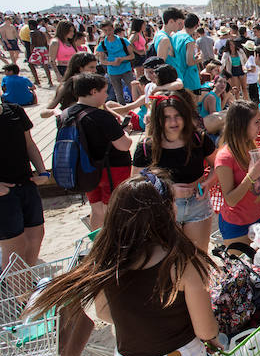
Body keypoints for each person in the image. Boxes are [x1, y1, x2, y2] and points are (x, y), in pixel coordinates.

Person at [24, 170, 250, 356]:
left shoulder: (105, 261)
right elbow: (205, 331)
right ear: (166, 212)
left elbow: (104, 313)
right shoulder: (181, 262)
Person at [133, 95, 218, 252]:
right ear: (158, 120)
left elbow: (218, 165)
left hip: (197, 204)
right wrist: (168, 191)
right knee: (171, 260)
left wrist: (208, 183)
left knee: (198, 258)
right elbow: (135, 185)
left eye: (177, 116)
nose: (173, 122)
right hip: (163, 209)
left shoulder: (199, 139)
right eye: (167, 117)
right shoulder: (146, 147)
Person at [214, 101, 260, 248]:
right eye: (256, 122)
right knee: (244, 268)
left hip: (258, 217)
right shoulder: (224, 157)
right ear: (241, 125)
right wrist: (251, 175)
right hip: (237, 225)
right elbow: (230, 200)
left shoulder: (250, 145)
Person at [68, 73, 134, 230]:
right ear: (93, 91)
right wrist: (125, 132)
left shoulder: (67, 114)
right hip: (112, 169)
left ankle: (98, 244)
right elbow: (124, 145)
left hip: (86, 170)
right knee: (113, 210)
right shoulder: (101, 116)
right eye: (104, 91)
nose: (106, 95)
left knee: (97, 210)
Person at [0, 98, 50, 268]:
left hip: (26, 182)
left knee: (36, 235)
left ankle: (25, 287)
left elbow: (29, 144)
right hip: (3, 192)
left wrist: (43, 171)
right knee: (15, 246)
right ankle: (20, 293)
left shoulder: (14, 110)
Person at [41, 52, 98, 118]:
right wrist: (56, 111)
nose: (95, 70)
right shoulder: (66, 86)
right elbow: (43, 113)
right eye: (91, 67)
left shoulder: (94, 83)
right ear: (79, 68)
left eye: (95, 67)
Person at [96, 21, 136, 105]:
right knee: (118, 92)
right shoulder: (102, 44)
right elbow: (102, 60)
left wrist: (121, 59)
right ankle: (122, 109)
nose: (108, 32)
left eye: (109, 30)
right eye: (105, 30)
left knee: (133, 88)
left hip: (126, 69)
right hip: (113, 71)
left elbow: (132, 56)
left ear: (113, 29)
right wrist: (112, 63)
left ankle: (139, 107)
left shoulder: (123, 41)